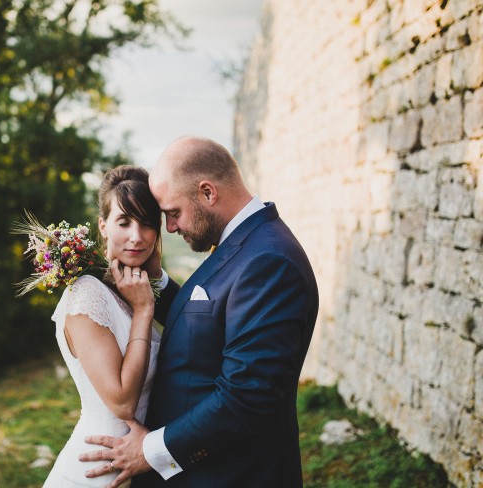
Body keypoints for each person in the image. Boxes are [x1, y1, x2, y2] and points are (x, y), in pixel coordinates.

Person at [79, 137, 319, 487]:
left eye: (173, 213)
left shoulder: (268, 260)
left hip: (234, 475)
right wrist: (156, 280)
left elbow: (246, 397)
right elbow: (204, 319)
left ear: (208, 192)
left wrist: (150, 450)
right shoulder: (244, 244)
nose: (170, 228)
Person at [44, 165, 179, 487]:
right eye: (124, 222)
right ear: (103, 226)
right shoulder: (87, 293)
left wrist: (154, 282)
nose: (136, 236)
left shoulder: (129, 290)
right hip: (95, 471)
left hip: (135, 465)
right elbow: (121, 402)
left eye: (147, 224)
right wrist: (144, 310)